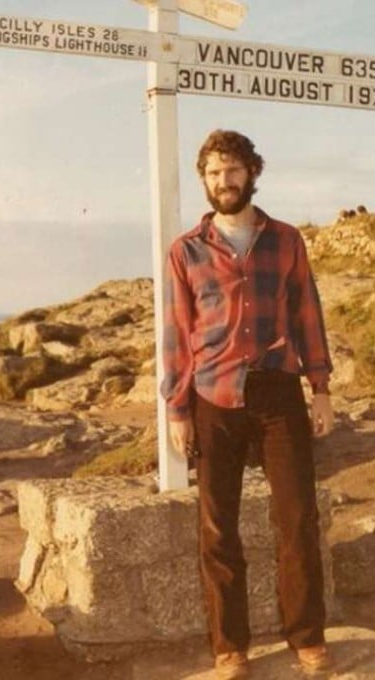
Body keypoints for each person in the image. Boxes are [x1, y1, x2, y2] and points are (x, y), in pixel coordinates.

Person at [162, 130, 334, 680]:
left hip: (278, 390)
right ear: (204, 179)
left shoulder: (285, 240)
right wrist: (177, 408)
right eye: (213, 172)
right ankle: (230, 648)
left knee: (298, 519)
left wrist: (320, 387)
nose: (224, 181)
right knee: (218, 528)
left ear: (252, 173)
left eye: (232, 170)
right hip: (213, 396)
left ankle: (307, 639)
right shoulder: (186, 250)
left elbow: (307, 314)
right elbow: (177, 332)